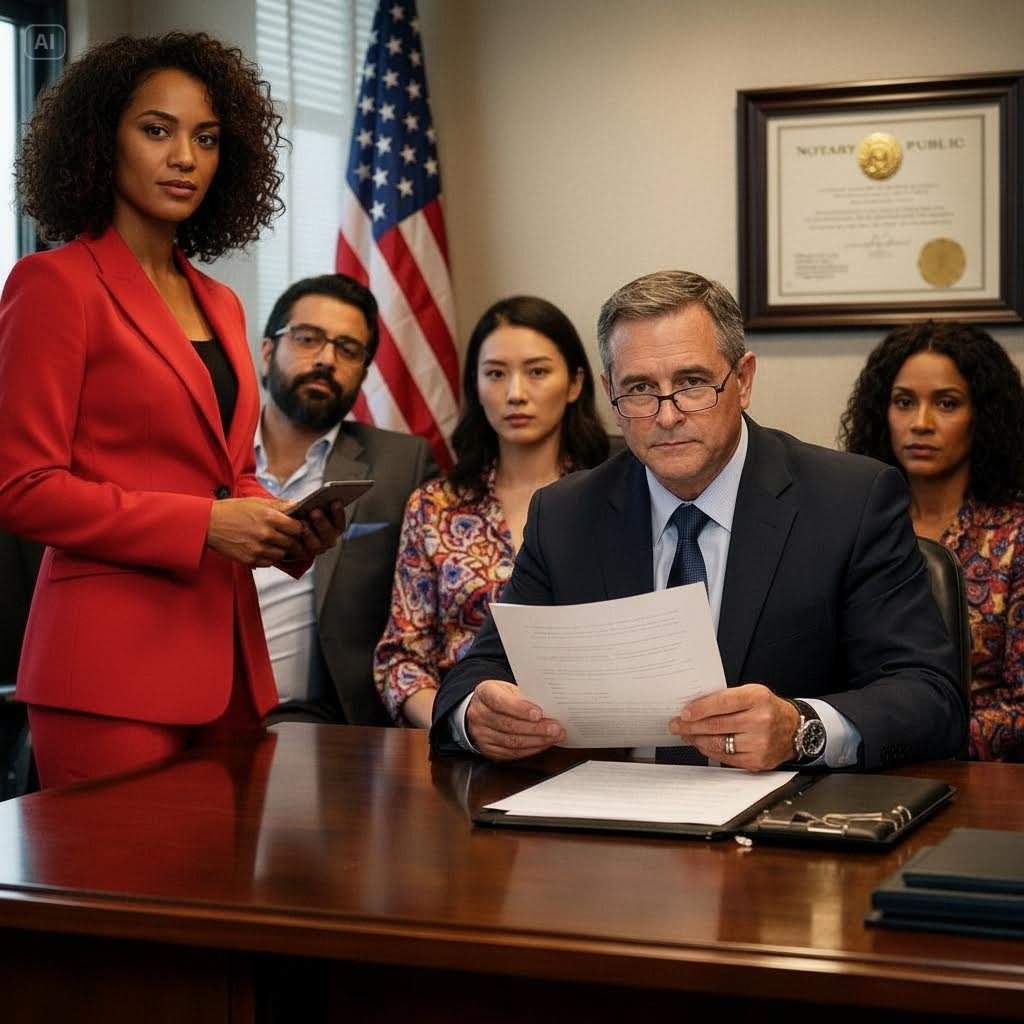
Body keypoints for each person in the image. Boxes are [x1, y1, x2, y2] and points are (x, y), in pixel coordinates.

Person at [430, 271, 966, 768]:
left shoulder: (849, 501)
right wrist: (477, 716)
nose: (667, 416)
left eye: (691, 383)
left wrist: (801, 728)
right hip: (607, 812)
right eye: (640, 388)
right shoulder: (566, 514)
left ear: (744, 379)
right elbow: (476, 676)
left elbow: (929, 697)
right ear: (610, 393)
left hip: (782, 815)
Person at [0, 32, 345, 787]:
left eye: (207, 138)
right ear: (102, 141)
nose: (185, 156)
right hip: (106, 674)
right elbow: (23, 489)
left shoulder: (221, 301)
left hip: (228, 666)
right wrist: (204, 526)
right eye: (157, 130)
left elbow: (225, 475)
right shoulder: (53, 285)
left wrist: (286, 527)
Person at [374, 296, 610, 728]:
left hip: (593, 735)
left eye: (537, 372)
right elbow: (401, 660)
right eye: (496, 374)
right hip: (463, 743)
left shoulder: (614, 498)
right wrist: (462, 723)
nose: (516, 394)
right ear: (476, 386)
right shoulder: (434, 506)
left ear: (575, 383)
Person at [254, 274, 439, 725]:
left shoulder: (401, 464)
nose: (325, 359)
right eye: (307, 338)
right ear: (267, 352)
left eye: (348, 349)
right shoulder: (207, 453)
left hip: (323, 723)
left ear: (364, 372)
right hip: (199, 704)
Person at [840, 322, 1024, 762]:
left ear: (983, 414)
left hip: (978, 776)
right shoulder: (847, 524)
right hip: (848, 766)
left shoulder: (1016, 535)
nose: (921, 424)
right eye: (904, 402)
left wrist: (905, 738)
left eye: (946, 403)